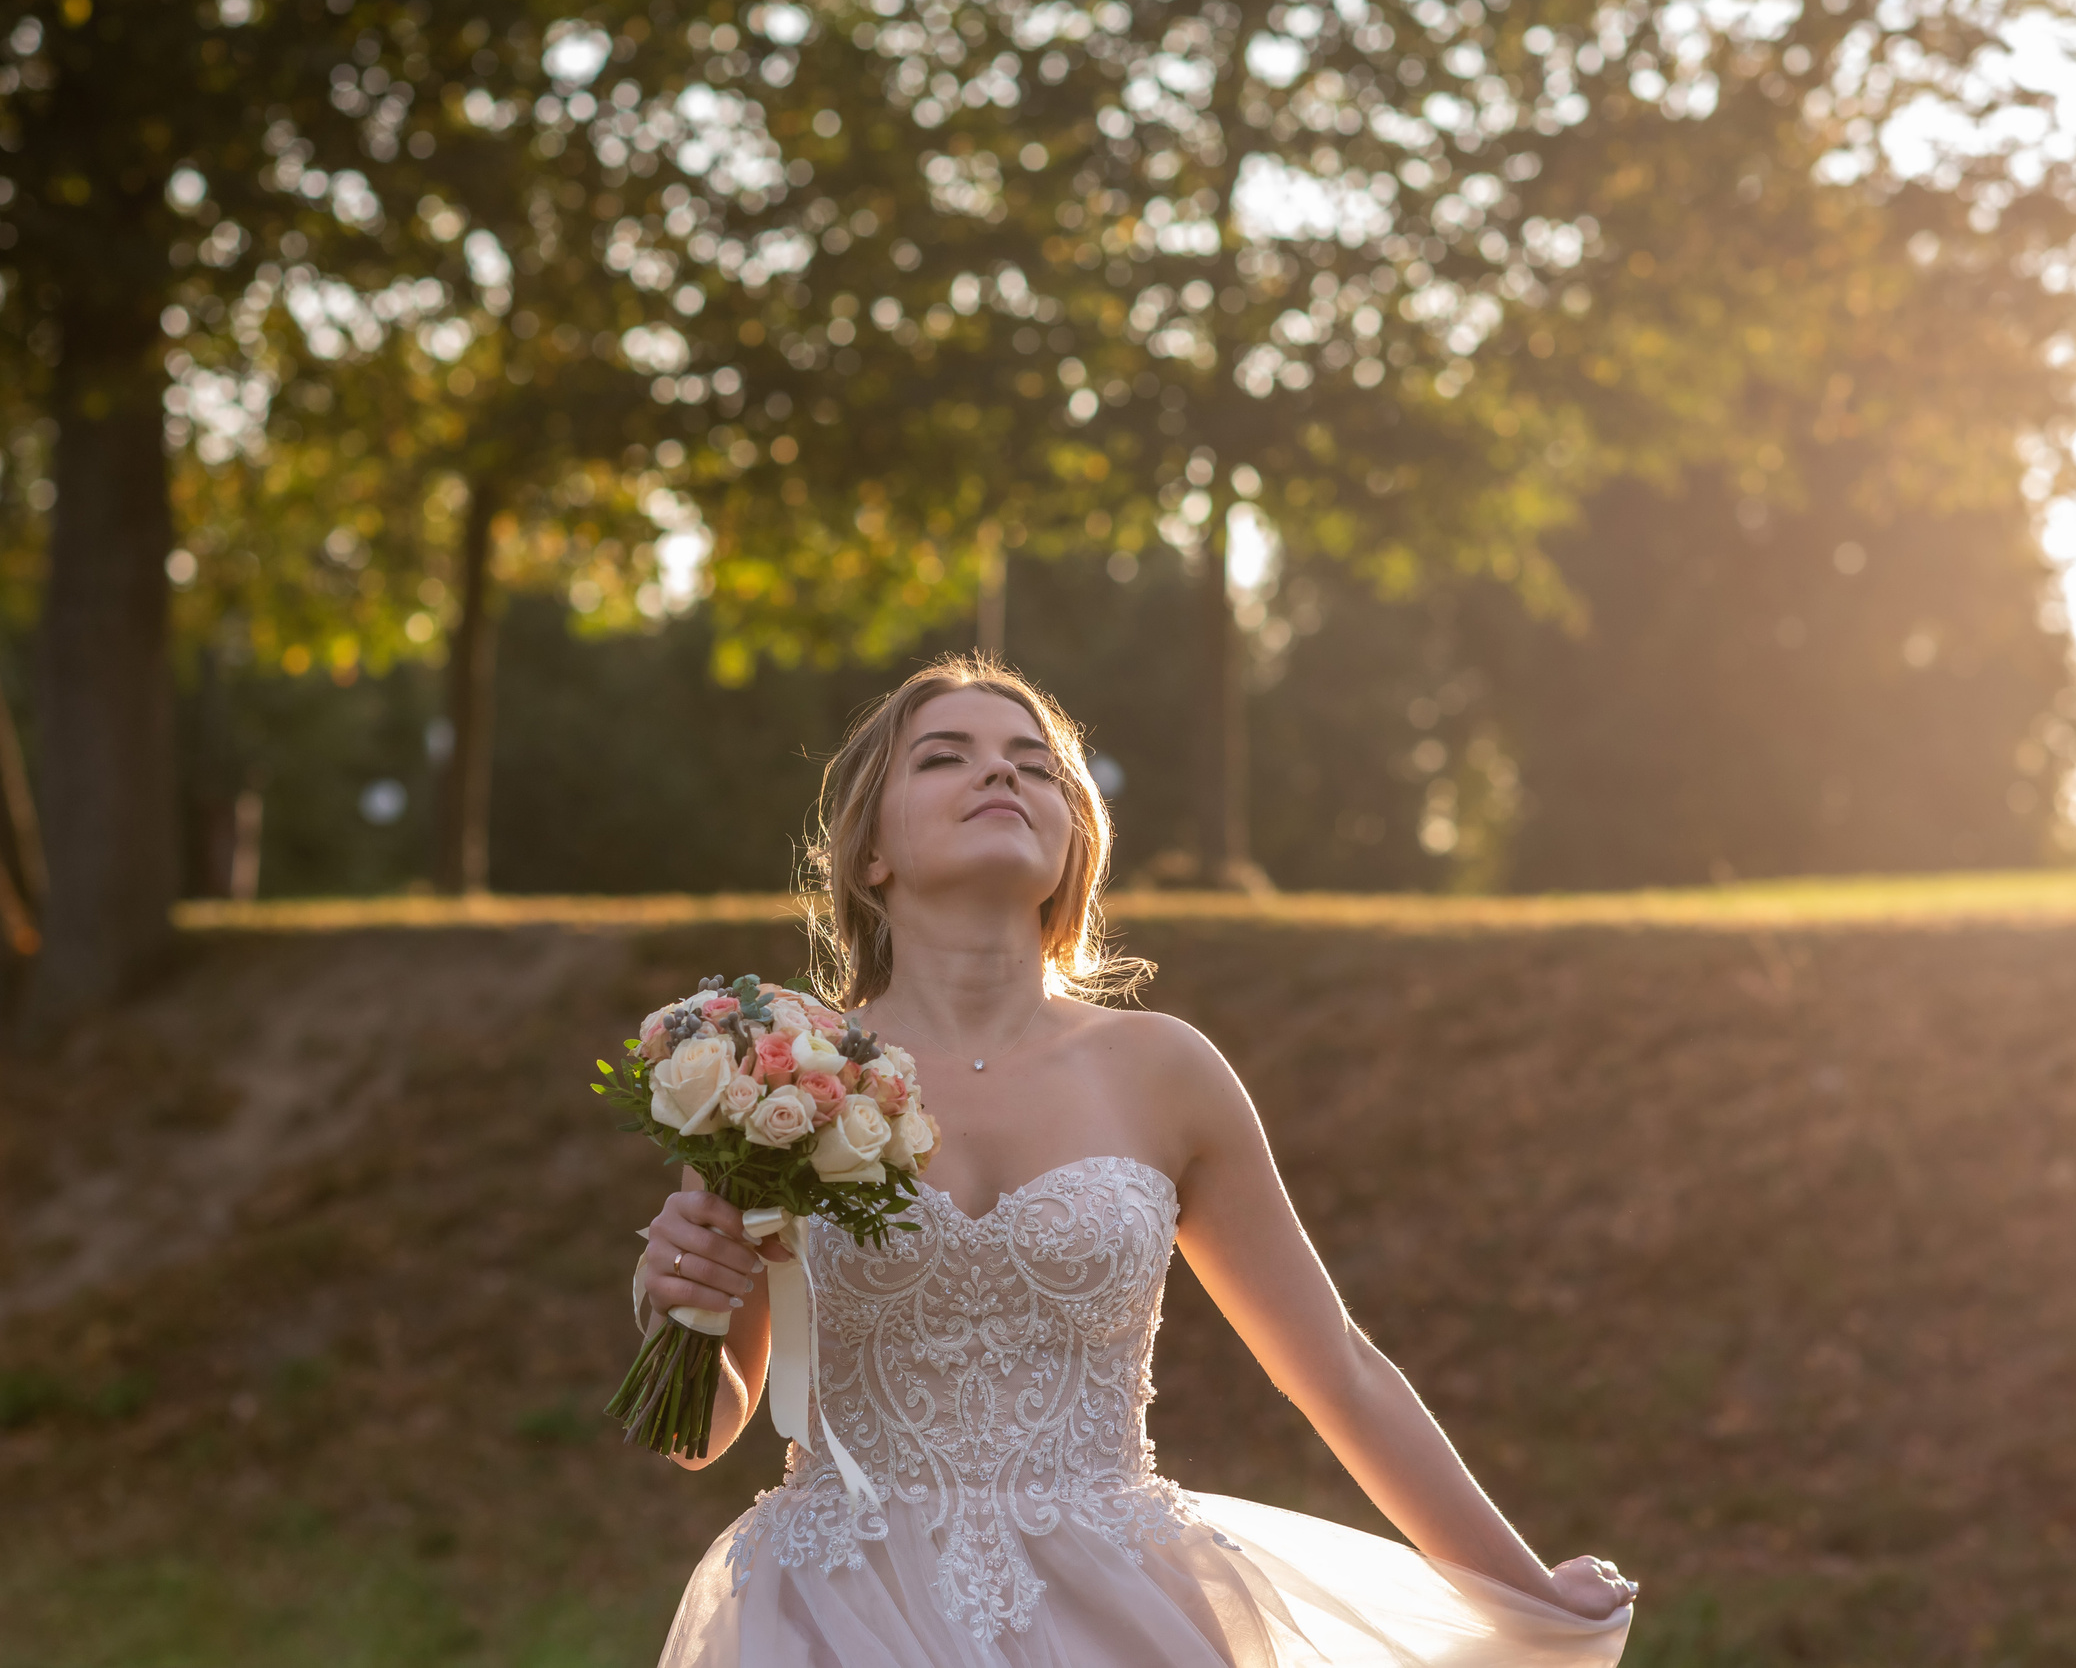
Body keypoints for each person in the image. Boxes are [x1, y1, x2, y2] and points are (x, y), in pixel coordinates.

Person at [633, 654, 1637, 1666]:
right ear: (870, 852)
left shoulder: (1166, 1070)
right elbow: (699, 1427)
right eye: (945, 756)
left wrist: (1527, 1588)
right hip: (838, 1617)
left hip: (1116, 1617)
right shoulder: (771, 1069)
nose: (1001, 772)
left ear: (1072, 839)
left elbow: (1338, 1370)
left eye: (1034, 763)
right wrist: (675, 1298)